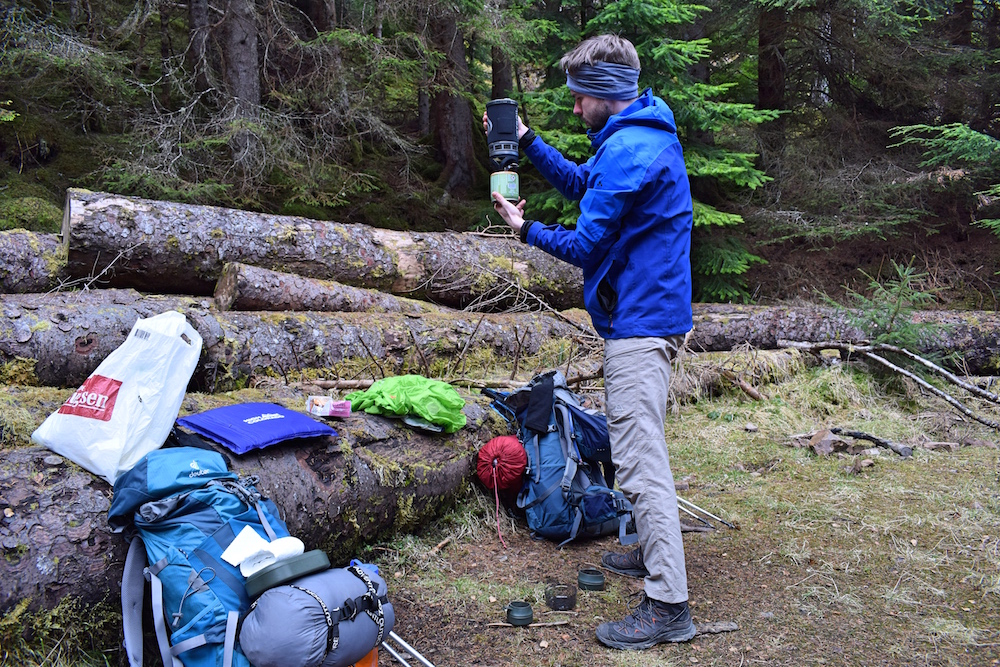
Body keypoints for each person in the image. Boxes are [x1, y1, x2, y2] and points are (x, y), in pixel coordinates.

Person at [484, 34, 696, 650]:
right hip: (648, 315)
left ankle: (668, 605)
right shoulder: (633, 139)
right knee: (642, 446)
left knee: (637, 459)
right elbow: (585, 185)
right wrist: (526, 141)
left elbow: (585, 244)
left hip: (641, 324)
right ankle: (646, 551)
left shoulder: (631, 150)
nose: (575, 108)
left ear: (606, 96)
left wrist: (526, 231)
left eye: (580, 98)